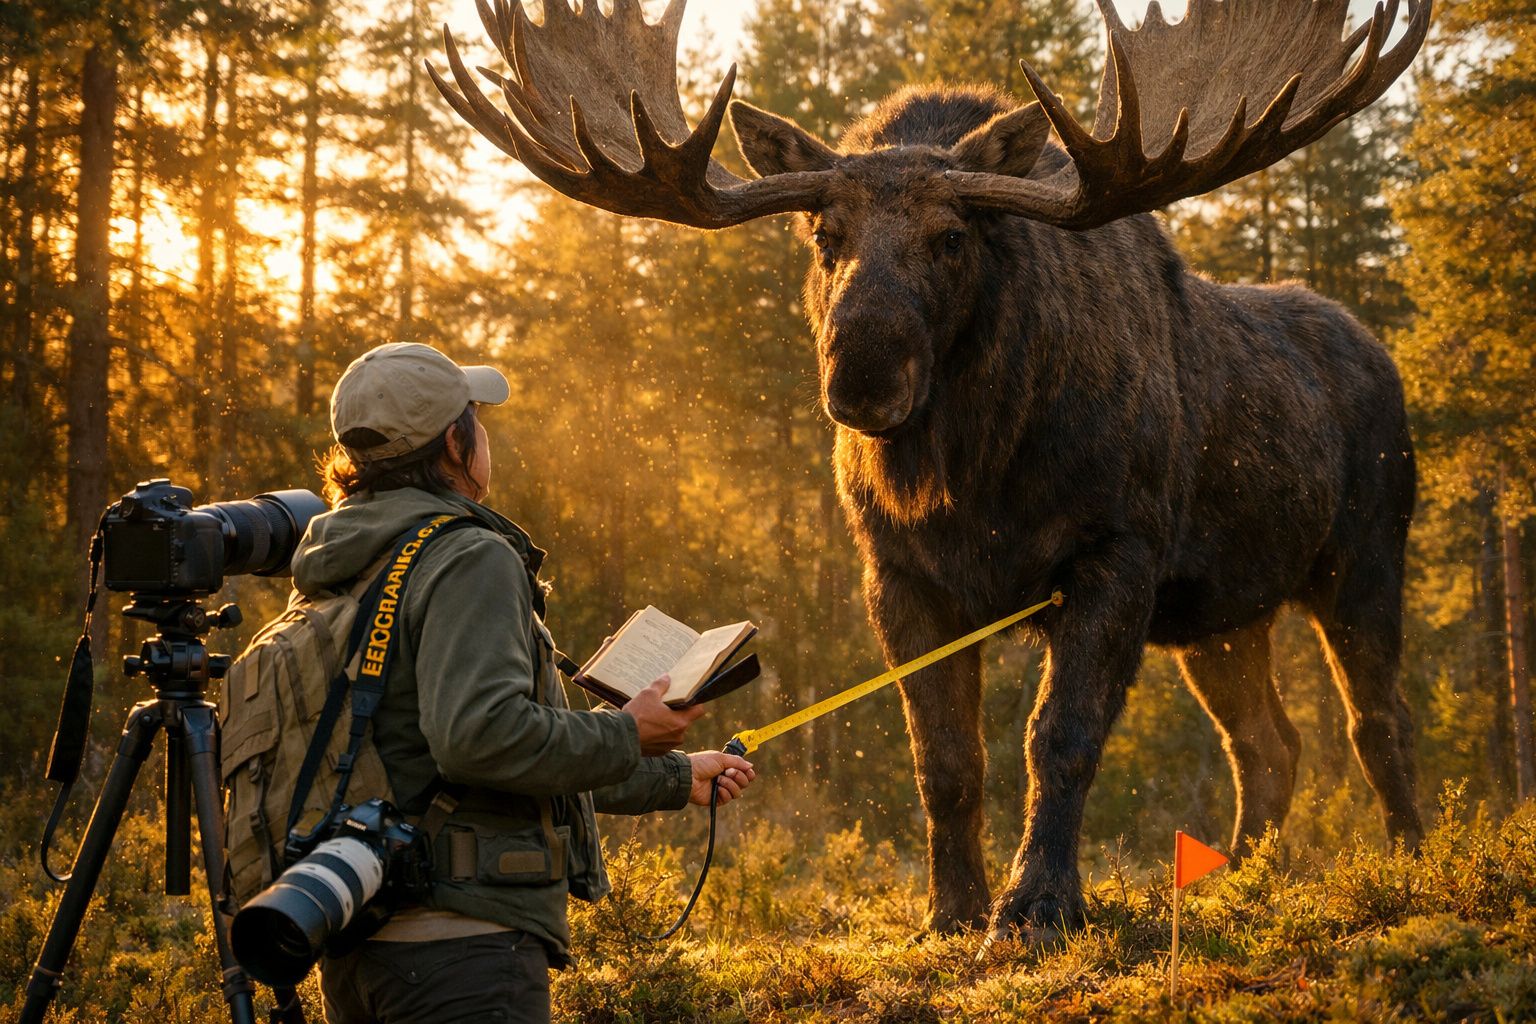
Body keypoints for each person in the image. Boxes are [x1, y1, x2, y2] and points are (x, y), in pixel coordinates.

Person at [290, 342, 755, 1023]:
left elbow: (432, 762)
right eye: (475, 417)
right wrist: (628, 730)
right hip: (462, 952)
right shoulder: (467, 554)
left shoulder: (340, 563)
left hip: (359, 942)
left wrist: (674, 775)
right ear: (454, 443)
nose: (485, 434)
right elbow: (481, 739)